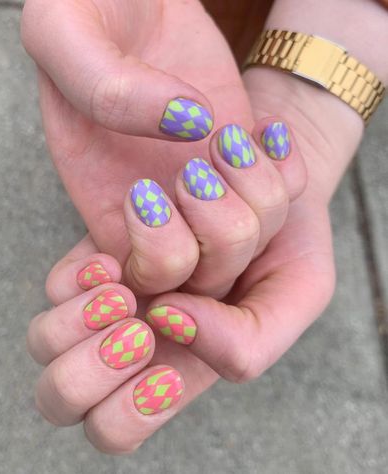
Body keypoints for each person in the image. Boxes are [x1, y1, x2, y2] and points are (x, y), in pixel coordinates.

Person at [21, 0, 388, 453]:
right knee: (147, 231)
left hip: (214, 66)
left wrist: (309, 115)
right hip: (178, 54)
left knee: (158, 236)